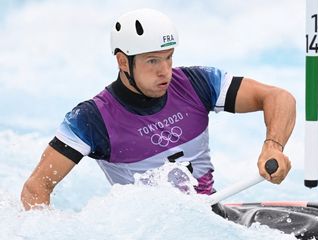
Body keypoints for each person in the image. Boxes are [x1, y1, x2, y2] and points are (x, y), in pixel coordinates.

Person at [21, 8, 295, 211]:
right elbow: (36, 188)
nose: (165, 71)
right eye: (152, 61)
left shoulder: (197, 84)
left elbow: (278, 97)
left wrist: (273, 146)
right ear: (123, 62)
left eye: (168, 57)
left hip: (212, 218)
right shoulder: (92, 120)